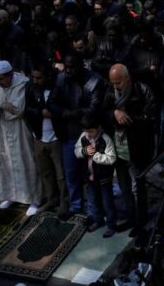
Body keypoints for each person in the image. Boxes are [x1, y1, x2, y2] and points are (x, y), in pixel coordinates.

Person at [48, 53, 105, 217]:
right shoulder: (61, 79)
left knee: (90, 175)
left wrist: (71, 113)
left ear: (81, 65)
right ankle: (75, 206)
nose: (68, 70)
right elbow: (51, 103)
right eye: (66, 67)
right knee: (71, 174)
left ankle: (94, 211)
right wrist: (68, 113)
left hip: (89, 134)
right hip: (69, 133)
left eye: (72, 67)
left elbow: (93, 109)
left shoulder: (94, 80)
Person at [104, 64, 157, 237]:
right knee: (124, 187)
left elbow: (150, 118)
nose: (115, 86)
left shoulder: (142, 91)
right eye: (113, 83)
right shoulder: (110, 91)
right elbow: (101, 112)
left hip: (137, 147)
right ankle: (131, 218)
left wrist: (126, 118)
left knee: (137, 188)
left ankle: (141, 221)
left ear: (127, 78)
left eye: (118, 82)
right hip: (118, 148)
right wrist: (114, 113)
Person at [0, 60, 41, 216]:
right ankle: (11, 195)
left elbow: (19, 109)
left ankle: (33, 199)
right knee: (6, 161)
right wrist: (2, 105)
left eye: (1, 79)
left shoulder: (24, 84)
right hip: (3, 130)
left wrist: (1, 105)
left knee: (27, 162)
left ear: (10, 75)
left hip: (20, 129)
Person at [24, 61, 67, 214]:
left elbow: (66, 109)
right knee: (45, 172)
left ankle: (64, 201)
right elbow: (27, 110)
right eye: (33, 77)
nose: (35, 81)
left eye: (39, 78)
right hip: (39, 137)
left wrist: (54, 114)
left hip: (56, 138)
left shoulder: (58, 88)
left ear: (48, 76)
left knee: (61, 174)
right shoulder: (31, 88)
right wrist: (40, 113)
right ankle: (51, 199)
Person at [75, 114, 117, 238]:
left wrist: (96, 156)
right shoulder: (83, 137)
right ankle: (98, 220)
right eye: (86, 131)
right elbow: (76, 151)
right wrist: (84, 151)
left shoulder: (105, 139)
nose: (88, 134)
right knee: (93, 201)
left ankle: (111, 225)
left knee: (107, 202)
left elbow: (111, 158)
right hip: (90, 178)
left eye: (91, 131)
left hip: (104, 178)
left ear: (99, 128)